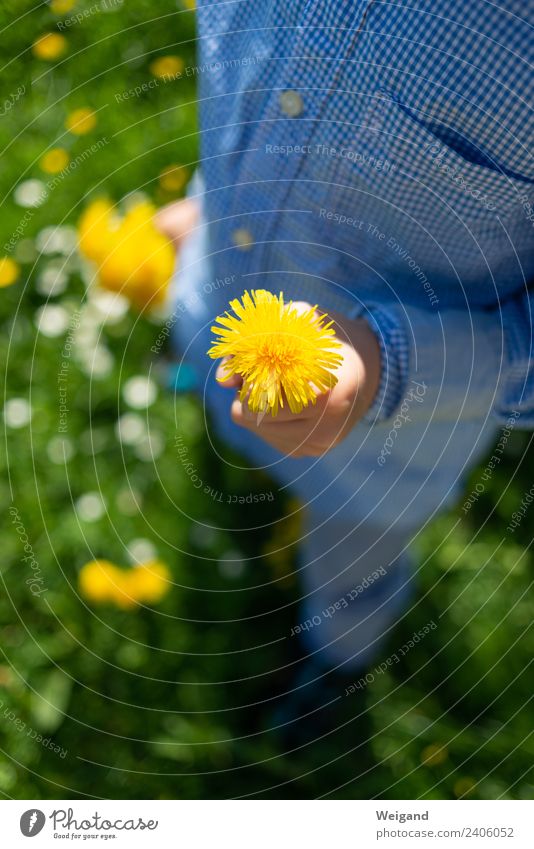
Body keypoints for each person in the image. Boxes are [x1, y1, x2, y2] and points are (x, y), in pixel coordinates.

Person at [156, 0, 534, 738]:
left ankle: (337, 658)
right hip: (218, 282)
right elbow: (260, 85)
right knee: (208, 363)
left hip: (384, 454)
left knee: (349, 569)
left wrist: (391, 361)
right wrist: (213, 199)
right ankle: (202, 369)